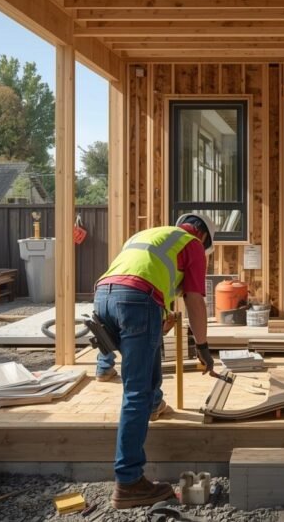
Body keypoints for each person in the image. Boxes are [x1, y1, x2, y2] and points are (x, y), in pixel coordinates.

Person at [92, 213, 218, 509]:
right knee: (135, 391)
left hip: (103, 296)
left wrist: (156, 321)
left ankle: (155, 404)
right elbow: (195, 299)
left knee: (145, 368)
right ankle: (129, 482)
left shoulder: (151, 236)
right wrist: (202, 346)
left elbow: (136, 278)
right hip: (136, 300)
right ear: (204, 237)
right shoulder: (192, 245)